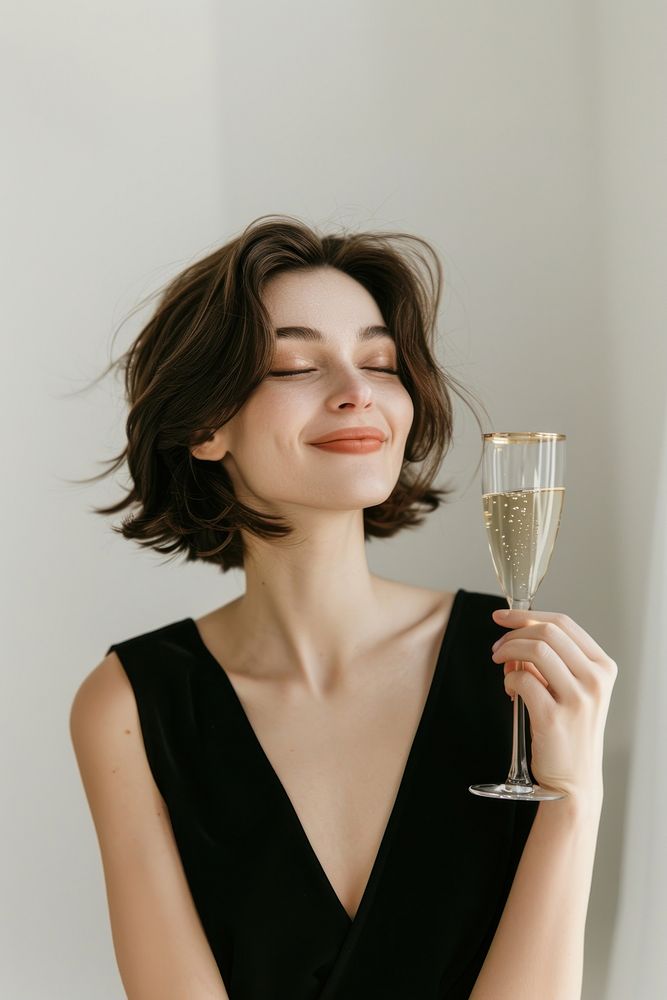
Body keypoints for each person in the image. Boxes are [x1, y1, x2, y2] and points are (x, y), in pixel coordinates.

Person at [69, 215, 617, 1000]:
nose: (357, 392)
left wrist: (574, 800)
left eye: (379, 362)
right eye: (295, 365)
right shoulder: (130, 704)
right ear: (202, 425)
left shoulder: (515, 665)